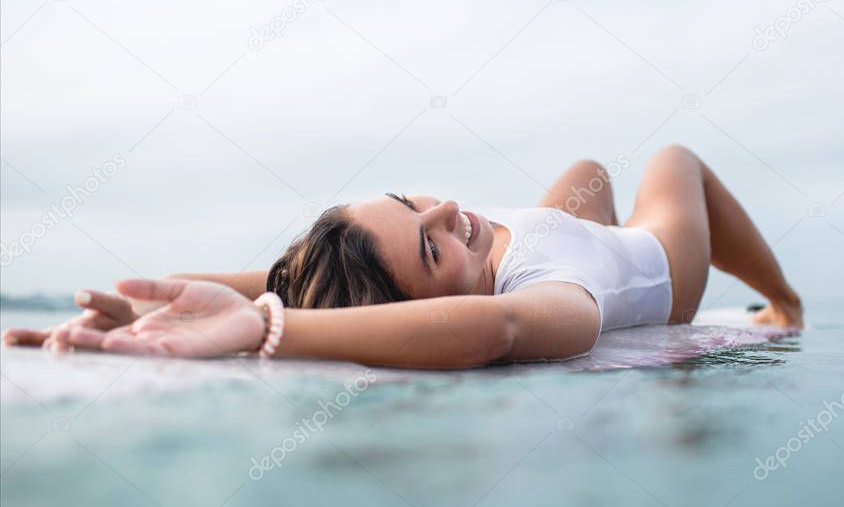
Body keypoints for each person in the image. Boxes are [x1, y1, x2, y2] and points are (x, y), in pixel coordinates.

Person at [3, 145, 803, 368]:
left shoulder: (472, 238)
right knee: (673, 160)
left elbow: (280, 286)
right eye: (430, 242)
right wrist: (262, 334)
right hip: (658, 263)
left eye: (412, 203)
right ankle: (785, 300)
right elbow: (501, 332)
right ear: (429, 302)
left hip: (565, 221)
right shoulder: (554, 297)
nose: (448, 209)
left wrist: (153, 301)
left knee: (586, 171)